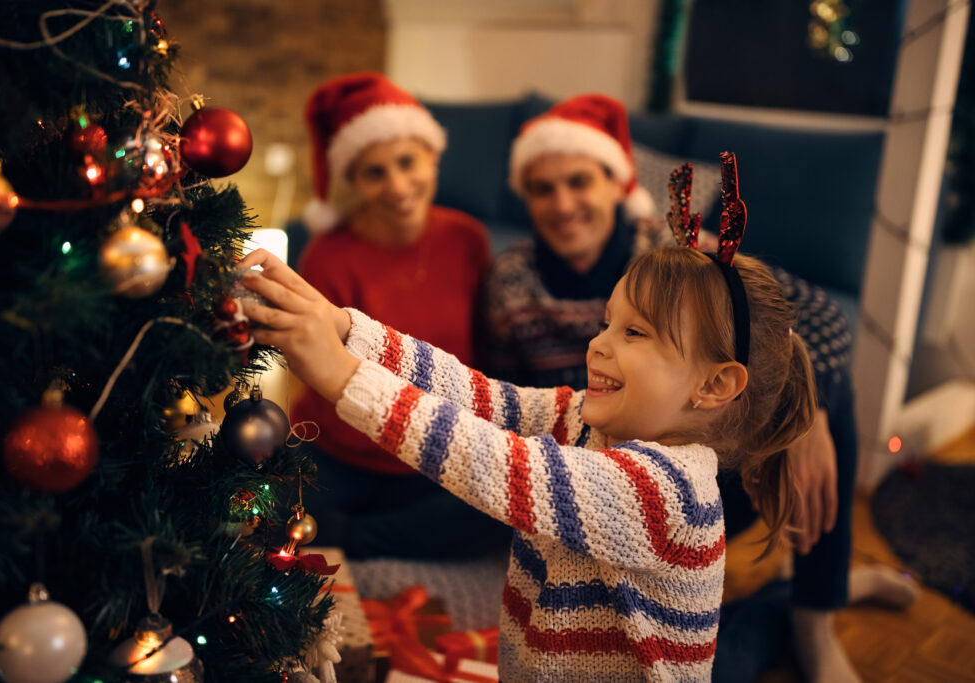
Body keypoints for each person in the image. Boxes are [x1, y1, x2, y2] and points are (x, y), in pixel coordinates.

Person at [237, 238, 817, 682]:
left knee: (743, 651)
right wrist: (344, 326)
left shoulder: (667, 492)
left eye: (635, 332)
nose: (600, 343)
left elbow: (498, 463)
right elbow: (481, 399)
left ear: (714, 385)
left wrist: (340, 377)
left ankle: (782, 611)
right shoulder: (588, 420)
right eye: (606, 322)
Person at [480, 94, 916, 682]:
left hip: (698, 475)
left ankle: (816, 617)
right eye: (541, 188)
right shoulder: (511, 282)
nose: (562, 204)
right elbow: (506, 399)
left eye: (578, 181)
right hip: (592, 477)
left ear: (616, 182)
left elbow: (814, 315)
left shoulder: (676, 259)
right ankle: (790, 604)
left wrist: (806, 411)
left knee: (823, 387)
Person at [290, 72, 509, 559]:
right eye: (374, 173)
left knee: (504, 513)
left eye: (408, 162)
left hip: (434, 455)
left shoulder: (468, 239)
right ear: (352, 182)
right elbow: (323, 375)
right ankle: (372, 533)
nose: (398, 186)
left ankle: (353, 539)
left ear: (433, 157)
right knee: (274, 510)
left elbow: (487, 354)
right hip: (341, 452)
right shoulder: (327, 256)